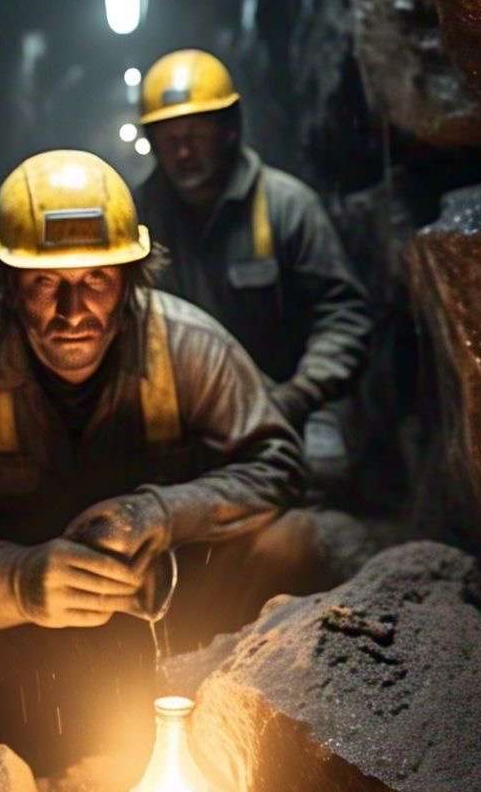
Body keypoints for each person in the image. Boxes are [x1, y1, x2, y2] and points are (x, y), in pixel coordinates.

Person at [0, 150, 327, 776]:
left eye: (96, 279)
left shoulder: (189, 346)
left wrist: (166, 512)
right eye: (45, 283)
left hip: (164, 618)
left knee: (293, 543)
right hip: (17, 642)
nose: (73, 313)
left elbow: (278, 464)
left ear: (130, 278)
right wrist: (17, 580)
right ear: (6, 285)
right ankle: (0, 755)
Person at [133, 49, 372, 482]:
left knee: (322, 476)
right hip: (192, 411)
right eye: (169, 139)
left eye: (195, 135)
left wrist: (298, 395)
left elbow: (344, 314)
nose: (183, 152)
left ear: (227, 130)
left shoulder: (286, 206)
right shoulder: (135, 221)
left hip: (291, 398)